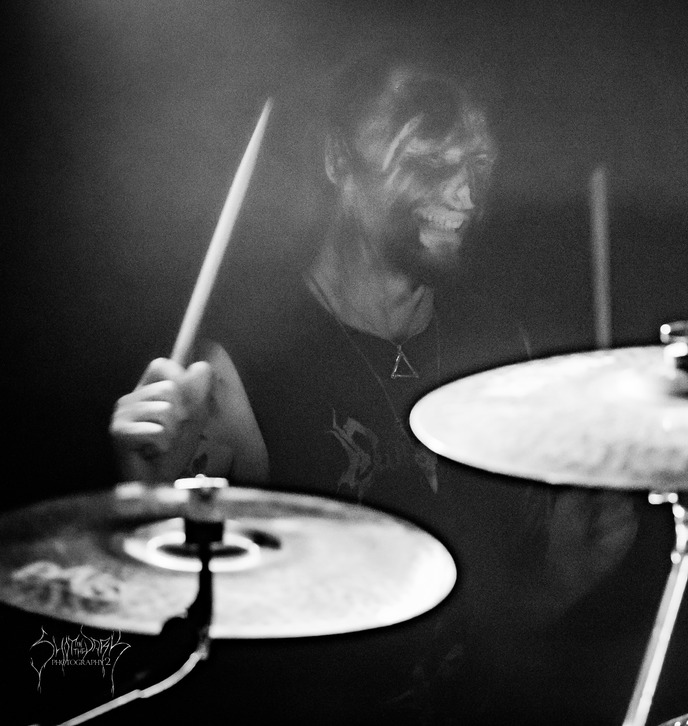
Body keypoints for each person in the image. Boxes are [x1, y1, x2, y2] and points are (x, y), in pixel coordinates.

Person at [110, 46, 639, 725]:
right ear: (339, 161)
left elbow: (492, 630)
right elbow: (184, 632)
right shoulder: (241, 371)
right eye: (430, 162)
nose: (466, 196)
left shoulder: (503, 356)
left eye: (478, 164)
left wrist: (560, 579)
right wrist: (145, 502)